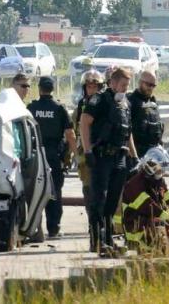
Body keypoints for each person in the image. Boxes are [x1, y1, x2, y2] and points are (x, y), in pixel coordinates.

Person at [80, 67, 138, 255]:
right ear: (112, 82)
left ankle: (108, 240)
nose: (124, 89)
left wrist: (134, 156)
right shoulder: (100, 100)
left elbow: (126, 131)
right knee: (100, 200)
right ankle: (97, 241)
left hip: (119, 158)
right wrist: (88, 150)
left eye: (127, 86)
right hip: (102, 157)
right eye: (122, 85)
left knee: (113, 202)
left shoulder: (125, 103)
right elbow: (84, 122)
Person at [27, 77, 77, 238]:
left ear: (40, 89)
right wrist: (73, 155)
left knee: (34, 192)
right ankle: (53, 229)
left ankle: (34, 228)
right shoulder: (59, 108)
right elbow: (70, 134)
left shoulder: (31, 108)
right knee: (54, 193)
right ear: (52, 89)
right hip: (54, 156)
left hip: (35, 156)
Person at [121, 147, 169, 254]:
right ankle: (143, 247)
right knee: (163, 248)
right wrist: (166, 217)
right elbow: (148, 206)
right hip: (139, 229)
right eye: (160, 170)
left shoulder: (158, 180)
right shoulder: (135, 184)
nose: (162, 173)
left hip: (156, 222)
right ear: (150, 168)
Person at [72, 69, 105, 246]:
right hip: (85, 159)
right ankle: (94, 230)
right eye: (89, 87)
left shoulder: (105, 104)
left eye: (95, 86)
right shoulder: (80, 106)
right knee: (89, 194)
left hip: (102, 156)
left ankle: (106, 230)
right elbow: (75, 129)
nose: (92, 90)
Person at [128, 71, 164, 167]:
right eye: (148, 84)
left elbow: (158, 130)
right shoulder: (131, 102)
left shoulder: (153, 103)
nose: (151, 88)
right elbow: (127, 133)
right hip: (137, 155)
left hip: (153, 155)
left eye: (153, 85)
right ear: (140, 82)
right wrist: (133, 156)